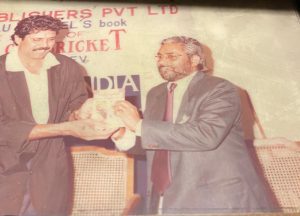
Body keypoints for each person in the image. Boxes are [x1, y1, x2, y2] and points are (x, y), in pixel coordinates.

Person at [113, 36, 279, 214]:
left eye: (171, 56)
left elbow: (206, 135)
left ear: (195, 60)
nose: (162, 62)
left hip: (219, 201)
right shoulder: (156, 93)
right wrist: (122, 135)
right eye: (159, 56)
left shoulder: (220, 88)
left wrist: (139, 125)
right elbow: (160, 145)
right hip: (167, 199)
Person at [0, 15, 115, 215]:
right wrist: (66, 128)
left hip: (50, 163)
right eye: (37, 39)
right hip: (6, 163)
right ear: (18, 39)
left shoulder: (67, 67)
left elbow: (74, 106)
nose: (45, 46)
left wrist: (82, 114)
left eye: (51, 39)